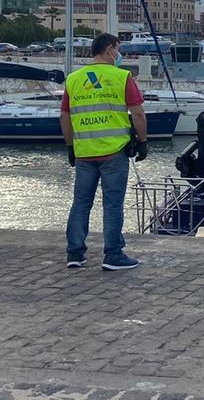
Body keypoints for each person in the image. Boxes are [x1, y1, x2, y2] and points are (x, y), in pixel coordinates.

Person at [61, 32, 149, 271]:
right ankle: (113, 255)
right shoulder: (122, 77)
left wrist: (70, 146)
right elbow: (138, 113)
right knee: (112, 204)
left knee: (81, 203)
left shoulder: (74, 79)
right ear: (110, 49)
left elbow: (65, 116)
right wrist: (142, 141)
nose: (119, 54)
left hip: (84, 152)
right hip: (114, 151)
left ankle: (75, 253)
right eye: (118, 49)